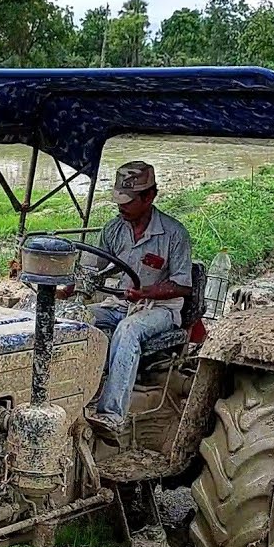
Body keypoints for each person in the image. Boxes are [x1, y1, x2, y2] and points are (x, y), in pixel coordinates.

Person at [85, 161, 193, 441]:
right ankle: (76, 394)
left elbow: (183, 285)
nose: (121, 207)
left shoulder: (174, 234)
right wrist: (70, 286)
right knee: (81, 319)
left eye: (128, 201)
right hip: (121, 304)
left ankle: (111, 415)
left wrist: (145, 293)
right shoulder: (113, 229)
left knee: (129, 329)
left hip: (161, 310)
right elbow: (90, 267)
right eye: (119, 199)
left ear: (149, 197)